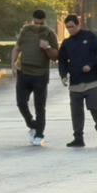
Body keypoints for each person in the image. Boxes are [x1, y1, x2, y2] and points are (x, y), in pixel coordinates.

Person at [58, 14, 97, 148]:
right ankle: (78, 137)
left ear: (78, 25)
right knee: (76, 112)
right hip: (75, 82)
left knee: (94, 107)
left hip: (91, 80)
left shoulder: (89, 37)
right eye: (68, 27)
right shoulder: (66, 43)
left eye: (72, 26)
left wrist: (90, 65)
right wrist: (63, 75)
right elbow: (62, 60)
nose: (70, 29)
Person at [13, 9, 59, 146]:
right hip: (24, 73)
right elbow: (17, 48)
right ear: (32, 20)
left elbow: (55, 56)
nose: (38, 26)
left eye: (41, 23)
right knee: (21, 102)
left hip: (40, 75)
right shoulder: (25, 31)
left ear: (45, 21)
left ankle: (39, 133)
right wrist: (13, 64)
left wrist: (47, 47)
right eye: (36, 23)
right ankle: (32, 124)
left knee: (40, 107)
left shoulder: (49, 33)